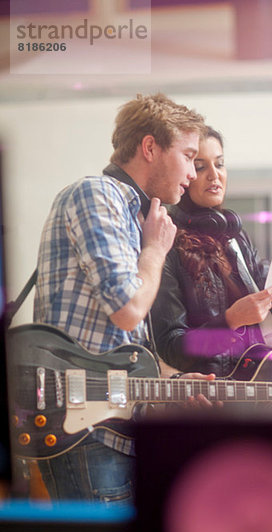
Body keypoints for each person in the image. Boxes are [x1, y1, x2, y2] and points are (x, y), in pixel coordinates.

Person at [29, 93, 216, 505]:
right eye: (188, 156)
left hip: (109, 431)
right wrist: (154, 251)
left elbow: (121, 349)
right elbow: (127, 311)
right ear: (150, 148)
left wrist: (171, 383)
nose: (193, 172)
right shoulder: (97, 195)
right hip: (88, 434)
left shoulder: (133, 215)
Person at [152, 126, 272, 380]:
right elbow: (171, 349)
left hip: (256, 392)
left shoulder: (236, 237)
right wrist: (230, 321)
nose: (214, 175)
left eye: (220, 164)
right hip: (211, 398)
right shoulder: (166, 242)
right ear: (185, 175)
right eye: (201, 167)